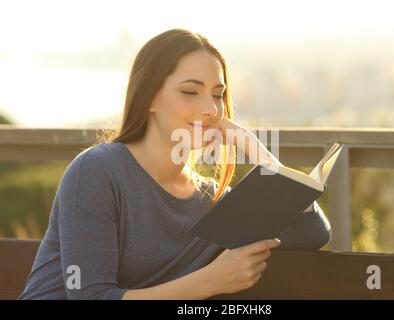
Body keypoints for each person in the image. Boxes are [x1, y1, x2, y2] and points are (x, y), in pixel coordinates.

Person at [18, 28, 331, 300]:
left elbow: (311, 233)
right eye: (190, 92)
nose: (210, 108)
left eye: (218, 95)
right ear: (150, 98)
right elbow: (88, 297)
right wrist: (209, 281)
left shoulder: (210, 199)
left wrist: (257, 150)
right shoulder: (96, 172)